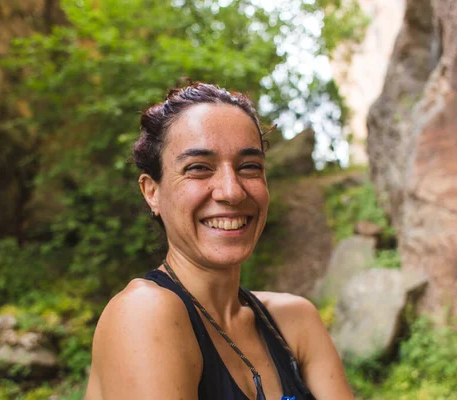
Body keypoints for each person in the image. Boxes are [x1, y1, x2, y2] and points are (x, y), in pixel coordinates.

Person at [85, 83, 354, 400]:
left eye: (249, 167)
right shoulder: (144, 313)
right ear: (152, 192)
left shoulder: (295, 322)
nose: (232, 191)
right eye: (198, 168)